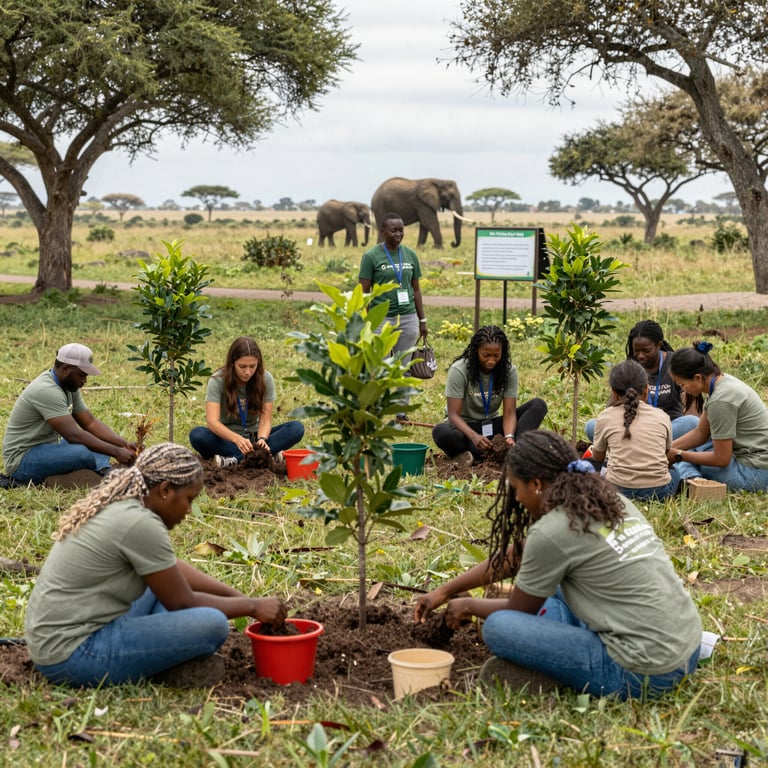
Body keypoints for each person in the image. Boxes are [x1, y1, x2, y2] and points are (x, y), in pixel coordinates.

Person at [415, 430, 702, 699]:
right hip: (686, 645)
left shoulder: (552, 531)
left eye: (516, 488)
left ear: (537, 484)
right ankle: (558, 650)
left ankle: (552, 671)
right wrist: (444, 591)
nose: (516, 498)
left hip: (643, 672)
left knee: (499, 628)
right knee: (547, 584)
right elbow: (518, 556)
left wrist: (466, 606)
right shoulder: (607, 499)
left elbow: (518, 610)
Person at [24, 442, 287, 687]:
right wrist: (252, 606)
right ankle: (163, 660)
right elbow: (181, 602)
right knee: (213, 624)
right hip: (73, 654)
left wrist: (240, 597)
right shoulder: (141, 523)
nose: (188, 510)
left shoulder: (126, 504)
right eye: (189, 500)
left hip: (58, 638)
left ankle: (160, 653)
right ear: (164, 490)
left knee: (161, 585)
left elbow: (171, 568)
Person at [2, 343, 137, 486]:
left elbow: (90, 423)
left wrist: (124, 444)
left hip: (49, 447)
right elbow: (73, 435)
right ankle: (93, 471)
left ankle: (103, 469)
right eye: (81, 375)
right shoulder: (46, 390)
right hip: (22, 460)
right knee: (84, 453)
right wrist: (116, 452)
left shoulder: (69, 387)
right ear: (65, 369)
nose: (84, 381)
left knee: (98, 439)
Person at [432, 325, 547, 465]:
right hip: (466, 429)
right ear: (476, 351)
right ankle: (480, 453)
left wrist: (509, 436)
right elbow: (453, 415)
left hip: (493, 428)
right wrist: (474, 436)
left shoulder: (508, 371)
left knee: (538, 405)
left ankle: (514, 450)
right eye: (486, 355)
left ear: (502, 353)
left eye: (496, 356)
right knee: (441, 432)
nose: (491, 360)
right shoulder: (459, 370)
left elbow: (509, 413)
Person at [189, 336, 304, 468]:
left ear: (258, 363)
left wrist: (262, 439)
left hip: (254, 438)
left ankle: (233, 460)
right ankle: (264, 457)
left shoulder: (265, 379)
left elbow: (265, 419)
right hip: (227, 439)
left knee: (296, 428)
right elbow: (212, 422)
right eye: (242, 366)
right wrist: (237, 439)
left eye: (252, 366)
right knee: (197, 435)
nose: (248, 372)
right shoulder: (217, 380)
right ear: (232, 363)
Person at [668, 341, 768, 492]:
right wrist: (666, 449)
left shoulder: (721, 400)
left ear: (698, 378)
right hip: (751, 461)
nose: (682, 390)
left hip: (754, 474)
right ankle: (688, 472)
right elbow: (700, 433)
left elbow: (721, 459)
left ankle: (691, 479)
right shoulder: (721, 383)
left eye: (682, 385)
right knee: (690, 427)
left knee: (687, 458)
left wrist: (679, 455)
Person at [584, 320, 699, 442]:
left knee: (692, 422)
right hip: (634, 429)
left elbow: (693, 411)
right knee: (592, 426)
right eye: (636, 351)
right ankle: (646, 445)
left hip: (667, 429)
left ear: (659, 345)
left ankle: (637, 446)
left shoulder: (676, 364)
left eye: (646, 351)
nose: (640, 356)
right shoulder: (629, 369)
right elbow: (610, 410)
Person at [590, 360, 680, 500]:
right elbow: (665, 453)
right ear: (646, 390)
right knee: (675, 472)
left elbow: (598, 457)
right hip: (659, 492)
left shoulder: (605, 417)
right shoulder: (662, 416)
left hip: (618, 490)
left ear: (613, 393)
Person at [359, 211, 428, 357]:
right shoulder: (370, 256)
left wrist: (422, 320)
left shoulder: (411, 255)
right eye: (394, 230)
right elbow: (363, 293)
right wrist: (366, 322)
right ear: (382, 232)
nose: (398, 234)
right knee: (381, 365)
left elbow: (416, 290)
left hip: (408, 318)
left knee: (403, 366)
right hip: (381, 319)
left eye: (401, 230)